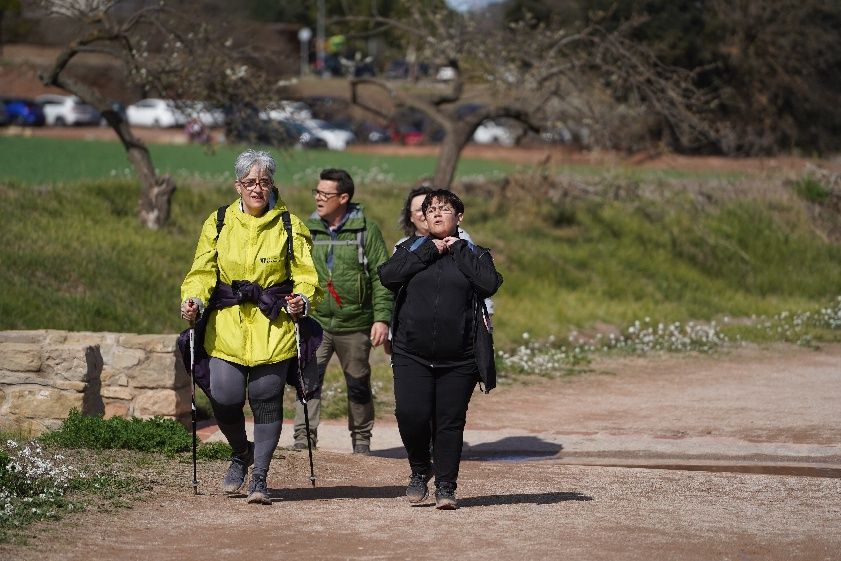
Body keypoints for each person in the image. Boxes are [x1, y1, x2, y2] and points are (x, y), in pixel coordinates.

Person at [180, 149, 322, 504]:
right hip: (226, 324)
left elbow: (307, 276)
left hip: (273, 325)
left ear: (272, 184)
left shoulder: (290, 224)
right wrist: (194, 300)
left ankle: (259, 477)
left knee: (265, 399)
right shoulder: (217, 221)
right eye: (250, 182)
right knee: (225, 396)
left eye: (264, 181)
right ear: (237, 185)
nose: (257, 188)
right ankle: (241, 452)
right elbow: (201, 272)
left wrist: (301, 300)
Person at [378, 189, 503, 510]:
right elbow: (388, 276)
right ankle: (420, 469)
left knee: (449, 422)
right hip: (411, 352)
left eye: (444, 209)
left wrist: (457, 250)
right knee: (411, 415)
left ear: (458, 217)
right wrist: (428, 252)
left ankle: (446, 487)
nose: (435, 214)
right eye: (430, 209)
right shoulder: (409, 249)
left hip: (459, 357)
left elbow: (489, 284)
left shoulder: (474, 253)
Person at [293, 168, 392, 455]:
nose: (319, 198)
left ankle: (361, 441)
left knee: (358, 384)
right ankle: (304, 440)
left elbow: (381, 277)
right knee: (307, 380)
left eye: (326, 194)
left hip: (356, 323)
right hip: (316, 322)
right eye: (317, 192)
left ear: (344, 197)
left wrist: (381, 318)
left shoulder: (366, 230)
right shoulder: (306, 229)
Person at [396, 185, 495, 318]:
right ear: (411, 217)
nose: (434, 213)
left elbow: (477, 274)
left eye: (440, 208)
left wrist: (486, 313)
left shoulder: (461, 238)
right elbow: (394, 285)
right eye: (422, 209)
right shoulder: (403, 246)